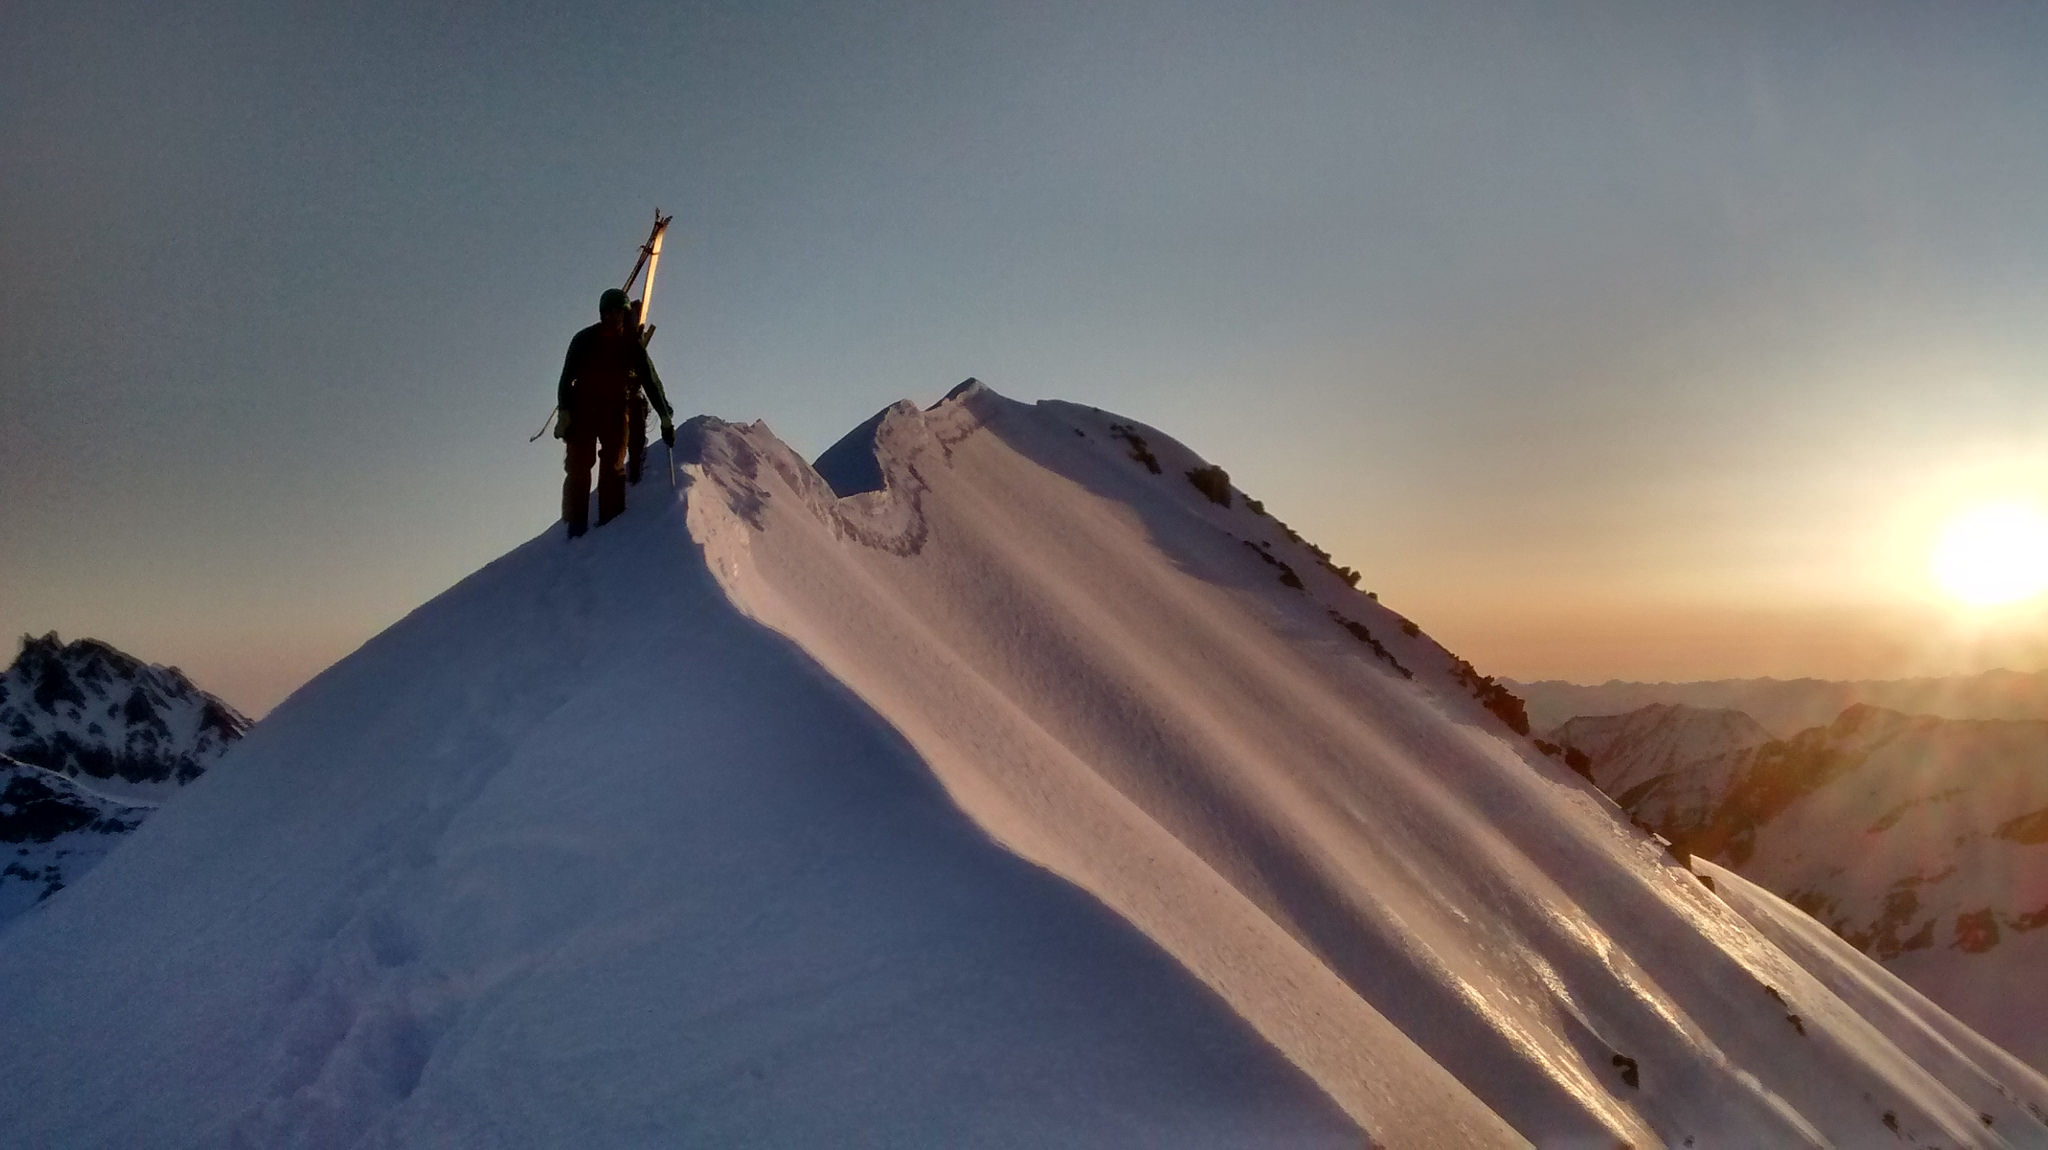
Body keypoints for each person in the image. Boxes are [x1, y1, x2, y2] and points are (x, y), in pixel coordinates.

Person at [554, 288, 674, 538]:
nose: (612, 317)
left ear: (624, 314)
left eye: (617, 313)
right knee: (581, 466)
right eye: (608, 313)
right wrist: (564, 411)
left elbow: (650, 381)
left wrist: (664, 416)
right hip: (587, 409)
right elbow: (566, 379)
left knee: (611, 465)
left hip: (611, 409)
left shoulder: (628, 345)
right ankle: (578, 526)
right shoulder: (588, 340)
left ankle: (609, 523)